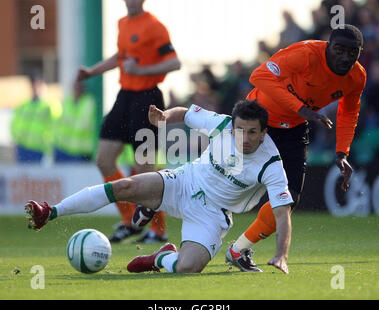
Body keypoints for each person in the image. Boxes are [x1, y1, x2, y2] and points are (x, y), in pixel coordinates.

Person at [25, 99, 294, 274]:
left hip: (212, 213)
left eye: (252, 132)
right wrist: (165, 116)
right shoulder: (221, 124)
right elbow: (186, 114)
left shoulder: (270, 164)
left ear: (264, 132)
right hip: (185, 182)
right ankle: (50, 212)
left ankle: (160, 258)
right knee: (125, 186)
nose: (244, 138)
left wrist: (281, 255)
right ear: (232, 125)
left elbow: (282, 214)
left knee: (188, 268)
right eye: (240, 130)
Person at [227, 25, 366, 269]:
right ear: (327, 46)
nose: (345, 57)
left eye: (351, 52)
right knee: (227, 182)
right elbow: (258, 76)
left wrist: (342, 152)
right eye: (339, 50)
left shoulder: (357, 76)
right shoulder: (304, 54)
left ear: (359, 52)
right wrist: (301, 109)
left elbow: (349, 111)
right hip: (257, 121)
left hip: (294, 128)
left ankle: (238, 250)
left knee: (288, 198)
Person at [75, 0, 181, 243]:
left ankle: (158, 230)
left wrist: (140, 69)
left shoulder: (155, 27)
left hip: (148, 98)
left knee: (145, 168)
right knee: (103, 160)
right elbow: (121, 58)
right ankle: (130, 221)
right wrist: (93, 71)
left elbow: (174, 63)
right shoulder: (122, 23)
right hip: (125, 96)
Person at [11, 72, 61, 163]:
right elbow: (14, 124)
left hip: (40, 149)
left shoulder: (49, 105)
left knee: (38, 176)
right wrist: (17, 139)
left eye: (37, 85)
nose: (35, 88)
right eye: (33, 85)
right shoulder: (23, 105)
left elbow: (56, 123)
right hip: (23, 148)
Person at [53, 81, 96, 162]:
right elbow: (59, 123)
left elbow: (84, 124)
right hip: (63, 149)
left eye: (79, 86)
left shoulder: (89, 102)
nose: (77, 89)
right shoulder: (66, 102)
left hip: (81, 151)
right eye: (75, 86)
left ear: (83, 88)